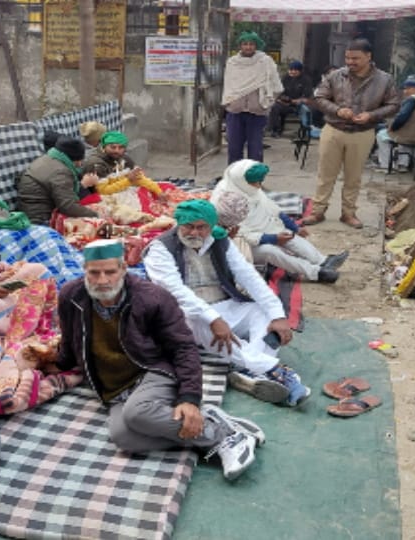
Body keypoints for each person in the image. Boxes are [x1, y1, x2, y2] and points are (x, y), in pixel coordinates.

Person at [55, 239, 264, 481]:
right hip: (114, 387)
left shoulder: (152, 297)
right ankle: (209, 423)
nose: (102, 280)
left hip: (151, 370)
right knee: (125, 439)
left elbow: (183, 348)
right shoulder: (72, 296)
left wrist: (189, 398)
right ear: (85, 271)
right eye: (94, 272)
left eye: (110, 272)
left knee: (137, 414)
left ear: (123, 268)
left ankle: (223, 437)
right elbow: (70, 341)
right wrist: (57, 362)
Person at [143, 200, 312, 408]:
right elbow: (176, 292)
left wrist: (278, 315)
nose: (194, 232)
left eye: (201, 227)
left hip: (225, 304)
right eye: (188, 226)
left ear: (211, 226)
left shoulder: (220, 241)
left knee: (265, 313)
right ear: (178, 223)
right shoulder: (160, 248)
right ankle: (277, 371)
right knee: (199, 320)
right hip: (185, 315)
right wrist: (213, 319)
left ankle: (249, 371)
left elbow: (249, 277)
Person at [304, 38, 400, 229]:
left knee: (353, 177)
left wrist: (371, 115)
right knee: (325, 175)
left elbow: (394, 105)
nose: (350, 62)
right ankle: (317, 212)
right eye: (347, 58)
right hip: (333, 130)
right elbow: (319, 97)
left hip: (362, 133)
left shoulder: (384, 79)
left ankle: (348, 213)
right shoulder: (335, 76)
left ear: (368, 56)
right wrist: (338, 110)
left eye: (355, 58)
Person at [210, 160, 346, 283]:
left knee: (288, 235)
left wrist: (294, 228)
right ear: (241, 180)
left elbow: (272, 209)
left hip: (259, 235)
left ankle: (323, 261)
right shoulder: (224, 202)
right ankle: (316, 273)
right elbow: (241, 235)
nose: (259, 186)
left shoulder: (246, 188)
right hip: (239, 246)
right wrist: (272, 238)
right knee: (269, 251)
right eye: (255, 183)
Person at [221, 31, 283, 164]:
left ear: (256, 45)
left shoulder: (265, 61)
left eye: (251, 44)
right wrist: (229, 103)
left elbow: (276, 85)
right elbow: (228, 85)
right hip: (235, 111)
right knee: (234, 149)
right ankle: (234, 181)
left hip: (257, 112)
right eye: (245, 44)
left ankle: (254, 182)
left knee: (255, 150)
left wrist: (267, 103)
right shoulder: (232, 63)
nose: (248, 47)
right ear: (240, 46)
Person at [16, 136, 100, 225]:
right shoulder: (61, 172)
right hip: (41, 219)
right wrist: (97, 215)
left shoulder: (47, 158)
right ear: (73, 159)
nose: (79, 165)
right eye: (79, 161)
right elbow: (68, 206)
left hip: (28, 210)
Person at [374, 76, 415, 171]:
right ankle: (403, 164)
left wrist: (392, 128)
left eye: (407, 88)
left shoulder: (413, 99)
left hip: (411, 136)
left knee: (381, 134)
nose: (405, 91)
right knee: (401, 132)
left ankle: (386, 165)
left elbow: (401, 118)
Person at [81, 131, 162, 197]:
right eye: (113, 147)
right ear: (104, 147)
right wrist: (128, 180)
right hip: (99, 197)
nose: (117, 151)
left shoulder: (124, 158)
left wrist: (158, 191)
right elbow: (102, 192)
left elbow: (139, 178)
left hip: (119, 190)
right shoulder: (97, 164)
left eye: (121, 147)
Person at [268, 61, 313, 138]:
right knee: (274, 107)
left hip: (298, 105)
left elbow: (307, 97)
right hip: (284, 103)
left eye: (295, 70)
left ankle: (305, 131)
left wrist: (293, 101)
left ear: (300, 71)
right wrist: (280, 99)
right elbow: (279, 91)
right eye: (291, 70)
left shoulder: (306, 80)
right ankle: (275, 130)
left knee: (305, 109)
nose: (293, 72)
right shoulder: (286, 78)